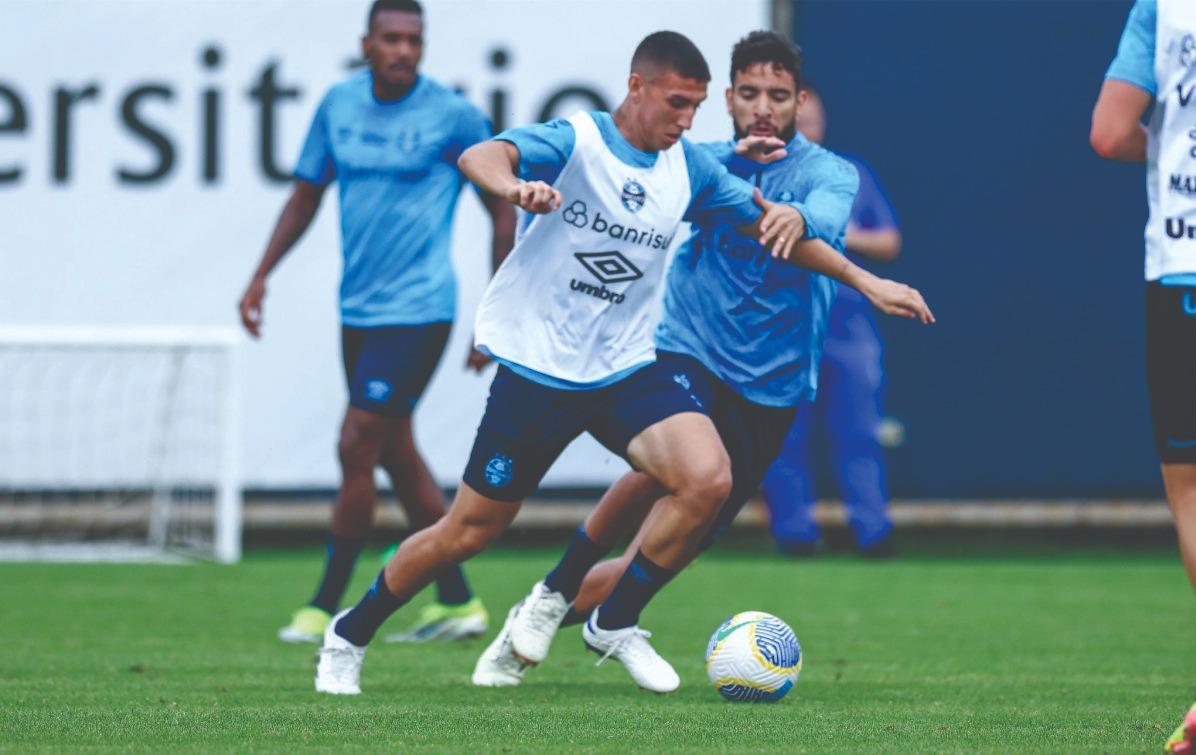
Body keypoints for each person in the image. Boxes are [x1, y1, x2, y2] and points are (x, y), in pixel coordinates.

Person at [314, 30, 932, 696]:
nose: (686, 122)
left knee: (706, 477)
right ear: (636, 87)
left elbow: (769, 229)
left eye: (695, 109)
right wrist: (515, 186)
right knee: (467, 531)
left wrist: (869, 283)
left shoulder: (689, 167)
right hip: (541, 369)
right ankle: (349, 631)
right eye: (676, 104)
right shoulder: (578, 140)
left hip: (623, 367)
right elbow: (482, 154)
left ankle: (613, 620)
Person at [237, 0, 515, 645]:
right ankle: (457, 599)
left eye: (413, 40)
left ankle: (326, 604)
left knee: (355, 443)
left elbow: (502, 208)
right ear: (367, 43)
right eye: (390, 39)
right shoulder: (338, 106)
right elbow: (306, 194)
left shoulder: (452, 115)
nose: (403, 51)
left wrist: (493, 307)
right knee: (394, 450)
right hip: (356, 310)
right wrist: (261, 275)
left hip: (420, 310)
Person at [1089, 0, 1196, 751]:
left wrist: (1166, 142)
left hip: (1184, 270)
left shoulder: (1164, 10)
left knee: (1193, 488)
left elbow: (1110, 131)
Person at [761, 81, 904, 558]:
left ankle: (872, 530)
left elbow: (889, 241)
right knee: (783, 435)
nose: (805, 125)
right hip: (783, 326)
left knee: (860, 432)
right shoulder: (761, 176)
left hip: (846, 326)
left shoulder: (851, 174)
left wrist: (836, 234)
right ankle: (794, 534)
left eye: (811, 117)